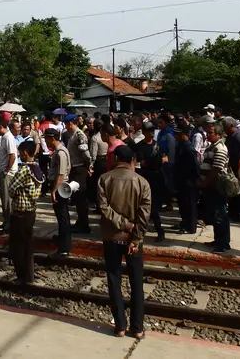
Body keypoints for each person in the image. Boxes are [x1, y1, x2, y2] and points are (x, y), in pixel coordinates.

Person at [98, 145, 150, 339]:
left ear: (116, 158)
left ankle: (120, 326)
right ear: (132, 160)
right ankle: (137, 328)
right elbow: (145, 215)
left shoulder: (104, 179)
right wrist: (135, 235)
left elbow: (104, 208)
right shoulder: (142, 182)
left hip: (112, 237)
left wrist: (123, 224)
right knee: (136, 283)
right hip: (133, 241)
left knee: (114, 280)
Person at [7, 142, 44, 285]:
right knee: (28, 247)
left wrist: (16, 194)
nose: (19, 155)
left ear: (25, 153)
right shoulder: (37, 169)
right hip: (31, 212)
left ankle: (21, 277)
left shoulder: (23, 170)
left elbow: (11, 189)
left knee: (18, 247)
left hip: (20, 213)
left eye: (20, 152)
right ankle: (29, 276)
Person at [199, 123, 231, 253]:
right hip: (210, 185)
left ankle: (223, 244)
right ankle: (218, 239)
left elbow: (216, 169)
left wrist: (205, 182)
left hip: (216, 185)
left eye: (211, 132)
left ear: (218, 134)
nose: (208, 134)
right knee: (215, 214)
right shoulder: (212, 146)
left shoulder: (220, 148)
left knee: (220, 215)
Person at [44, 128, 72, 257]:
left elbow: (61, 174)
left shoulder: (60, 152)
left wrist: (54, 191)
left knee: (63, 218)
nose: (45, 141)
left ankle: (64, 248)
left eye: (46, 138)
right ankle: (62, 242)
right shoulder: (59, 150)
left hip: (60, 187)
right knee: (62, 216)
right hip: (59, 186)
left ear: (52, 138)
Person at [64, 114, 93, 234]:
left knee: (80, 197)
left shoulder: (79, 135)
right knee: (77, 197)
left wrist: (88, 166)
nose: (66, 127)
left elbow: (85, 153)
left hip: (79, 169)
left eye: (66, 124)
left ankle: (84, 224)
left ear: (70, 123)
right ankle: (80, 221)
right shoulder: (73, 135)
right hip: (75, 168)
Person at [173, 122, 200, 234]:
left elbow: (195, 167)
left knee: (189, 205)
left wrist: (192, 181)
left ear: (184, 134)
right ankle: (185, 222)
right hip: (181, 181)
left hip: (188, 182)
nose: (176, 136)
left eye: (178, 134)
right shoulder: (181, 146)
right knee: (183, 204)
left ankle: (190, 226)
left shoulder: (188, 149)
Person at [0, 119, 18, 232]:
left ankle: (9, 223)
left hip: (8, 173)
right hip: (3, 171)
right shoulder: (4, 137)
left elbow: (12, 155)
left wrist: (7, 170)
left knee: (7, 199)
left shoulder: (8, 137)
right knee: (4, 199)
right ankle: (6, 221)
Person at [222, 117, 240, 222]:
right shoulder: (230, 136)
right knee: (233, 191)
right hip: (232, 165)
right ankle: (232, 212)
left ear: (231, 126)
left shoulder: (239, 137)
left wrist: (239, 172)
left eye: (225, 127)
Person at [88, 119, 108, 210]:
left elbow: (93, 155)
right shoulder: (107, 136)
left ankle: (99, 205)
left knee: (98, 185)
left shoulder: (95, 138)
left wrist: (90, 165)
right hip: (107, 161)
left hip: (99, 163)